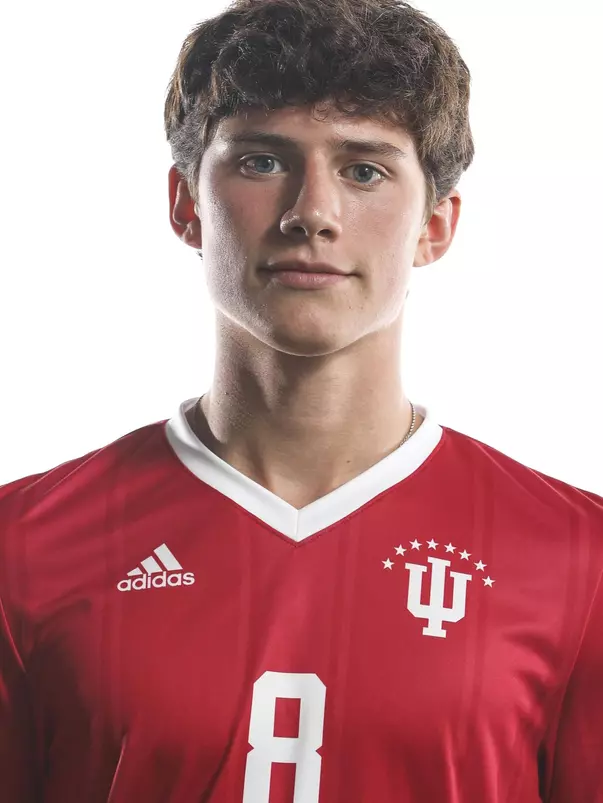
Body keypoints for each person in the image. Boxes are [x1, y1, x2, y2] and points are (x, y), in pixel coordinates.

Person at [1, 0, 602, 799]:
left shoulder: (578, 562)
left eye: (363, 169)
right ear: (186, 205)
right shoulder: (24, 547)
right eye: (260, 161)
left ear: (436, 225)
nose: (310, 212)